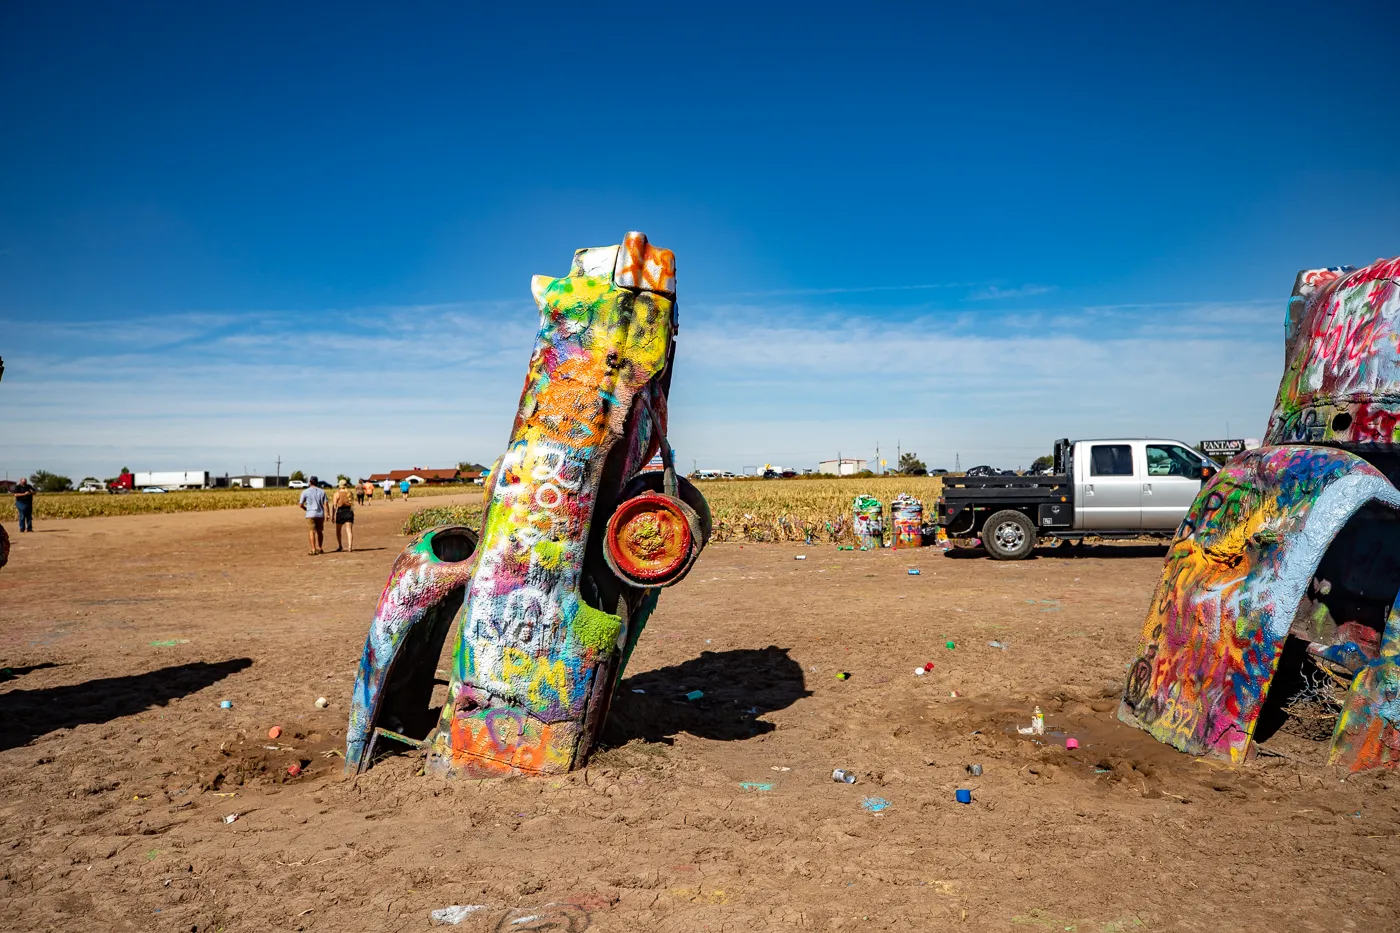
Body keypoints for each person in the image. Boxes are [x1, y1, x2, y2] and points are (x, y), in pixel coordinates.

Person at [299, 475, 328, 555]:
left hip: (310, 513)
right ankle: (320, 548)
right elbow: (325, 504)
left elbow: (300, 504)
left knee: (311, 531)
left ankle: (313, 549)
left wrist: (306, 509)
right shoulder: (322, 491)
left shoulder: (305, 491)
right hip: (320, 514)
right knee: (319, 531)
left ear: (310, 482)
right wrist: (327, 514)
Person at [332, 479, 355, 552]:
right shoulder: (350, 493)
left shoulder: (337, 493)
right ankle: (349, 547)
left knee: (338, 531)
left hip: (340, 512)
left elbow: (334, 506)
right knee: (349, 531)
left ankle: (340, 546)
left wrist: (333, 515)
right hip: (349, 511)